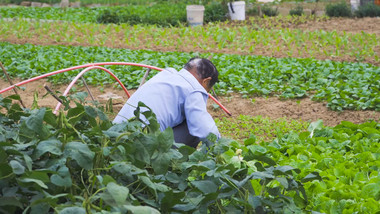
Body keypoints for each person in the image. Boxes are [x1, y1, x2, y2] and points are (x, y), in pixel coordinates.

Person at [113, 57, 221, 148]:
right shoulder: (194, 88)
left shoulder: (165, 75)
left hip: (113, 137)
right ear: (206, 81)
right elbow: (207, 131)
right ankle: (174, 165)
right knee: (194, 127)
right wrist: (220, 150)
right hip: (141, 147)